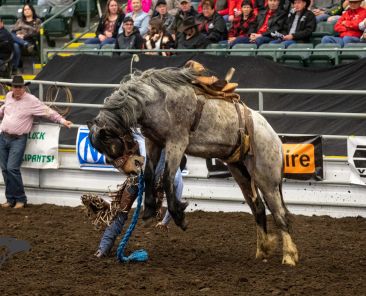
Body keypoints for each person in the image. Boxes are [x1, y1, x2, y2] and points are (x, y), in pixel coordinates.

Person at [94, 132, 184, 258]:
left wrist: (164, 222)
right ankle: (103, 247)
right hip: (139, 179)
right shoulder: (146, 140)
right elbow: (175, 203)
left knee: (121, 212)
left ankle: (103, 248)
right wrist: (165, 222)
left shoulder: (149, 141)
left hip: (143, 183)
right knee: (121, 211)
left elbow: (175, 202)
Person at [0, 76, 72, 209]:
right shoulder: (8, 96)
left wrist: (62, 121)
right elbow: (5, 110)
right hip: (3, 136)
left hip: (18, 139)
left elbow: (47, 111)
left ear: (24, 87)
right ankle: (10, 199)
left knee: (12, 168)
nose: (17, 89)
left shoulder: (31, 100)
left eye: (20, 86)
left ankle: (20, 199)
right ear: (12, 87)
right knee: (5, 169)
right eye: (15, 86)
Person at [11, 4, 41, 69]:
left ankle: (15, 67)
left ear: (32, 10)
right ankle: (15, 67)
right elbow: (13, 31)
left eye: (28, 9)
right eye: (25, 10)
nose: (26, 11)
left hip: (30, 40)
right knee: (11, 37)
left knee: (15, 44)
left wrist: (24, 36)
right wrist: (18, 36)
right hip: (19, 39)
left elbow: (36, 33)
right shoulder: (20, 20)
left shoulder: (37, 21)